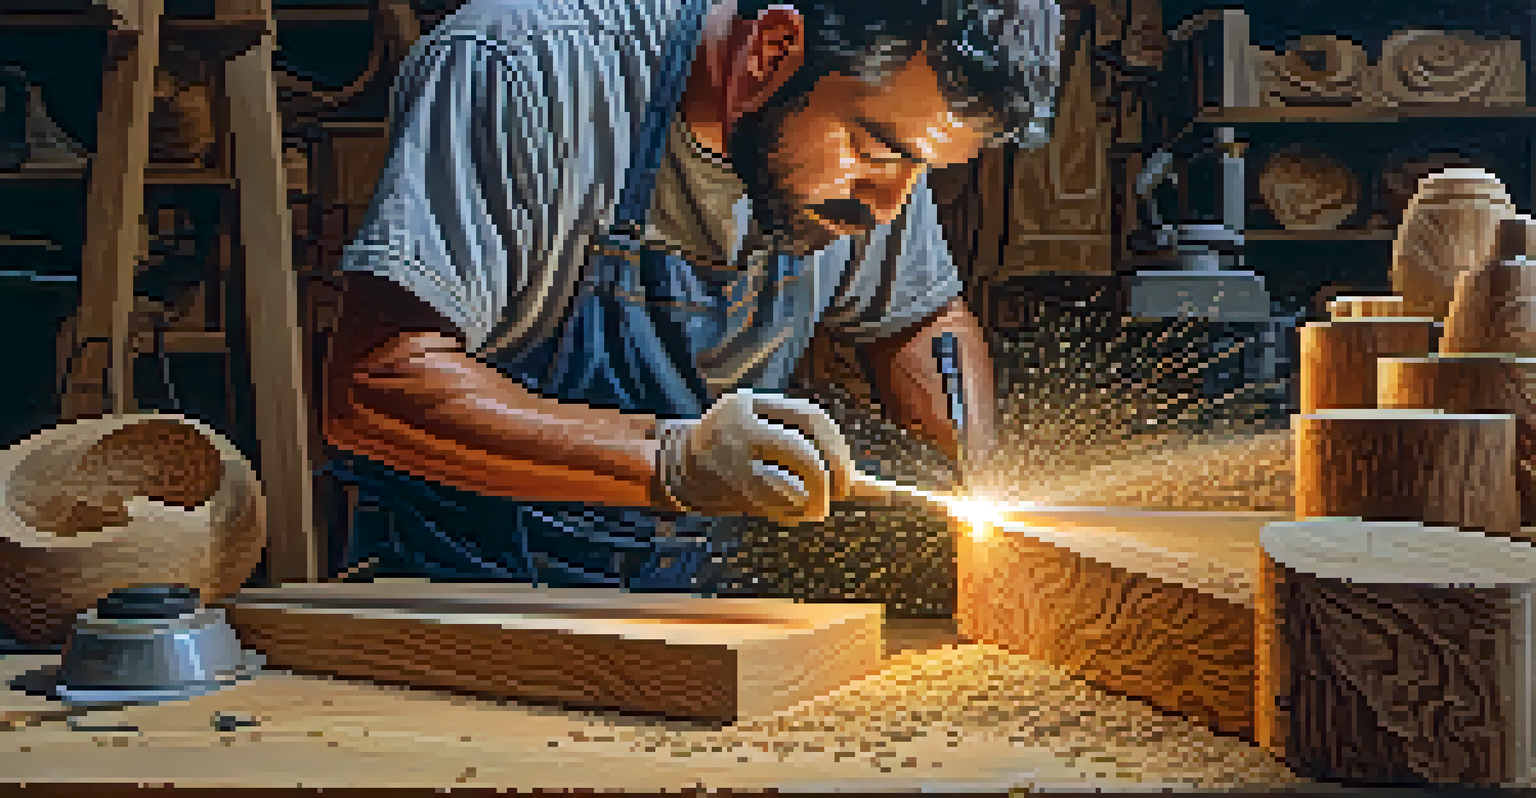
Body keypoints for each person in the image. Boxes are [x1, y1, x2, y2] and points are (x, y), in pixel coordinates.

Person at [322, 0, 1063, 591]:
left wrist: (975, 482)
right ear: (774, 50)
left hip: (691, 605)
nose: (890, 205)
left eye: (926, 169)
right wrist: (672, 460)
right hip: (463, 593)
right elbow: (374, 381)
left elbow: (921, 320)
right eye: (878, 152)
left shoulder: (874, 158)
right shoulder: (522, 65)